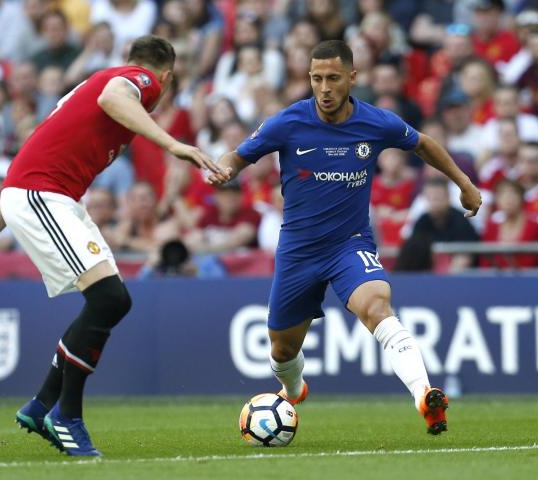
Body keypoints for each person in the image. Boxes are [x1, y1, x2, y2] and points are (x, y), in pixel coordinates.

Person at [0, 35, 227, 456]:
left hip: (45, 195)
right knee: (108, 297)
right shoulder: (135, 80)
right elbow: (114, 97)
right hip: (43, 195)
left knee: (113, 301)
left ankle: (41, 405)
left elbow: (35, 154)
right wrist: (172, 144)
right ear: (165, 76)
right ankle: (66, 415)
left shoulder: (93, 86)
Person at [206, 40, 482, 435]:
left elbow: (423, 144)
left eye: (333, 78)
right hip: (299, 251)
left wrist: (463, 182)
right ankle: (293, 387)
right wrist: (226, 169)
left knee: (378, 308)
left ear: (352, 78)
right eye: (316, 78)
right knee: (282, 350)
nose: (324, 87)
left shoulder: (376, 122)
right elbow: (240, 154)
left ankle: (425, 396)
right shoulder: (288, 122)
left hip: (349, 245)